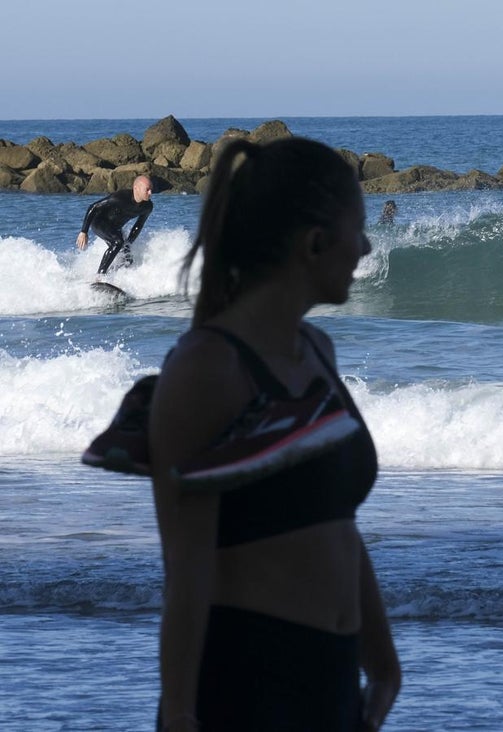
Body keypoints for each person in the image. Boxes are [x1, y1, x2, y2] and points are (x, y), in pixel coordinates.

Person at [147, 138, 401, 731]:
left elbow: (336, 518)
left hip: (334, 680)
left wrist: (383, 665)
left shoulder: (317, 350)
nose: (365, 248)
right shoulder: (207, 368)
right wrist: (179, 714)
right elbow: (186, 568)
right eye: (357, 230)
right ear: (313, 243)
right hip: (250, 683)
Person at [76, 175, 153, 275]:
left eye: (151, 189)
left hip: (115, 228)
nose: (150, 193)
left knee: (128, 258)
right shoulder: (120, 197)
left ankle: (111, 275)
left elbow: (138, 226)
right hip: (99, 222)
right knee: (118, 242)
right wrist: (84, 231)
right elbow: (94, 207)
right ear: (136, 188)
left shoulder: (147, 207)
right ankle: (100, 275)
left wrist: (129, 243)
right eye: (147, 189)